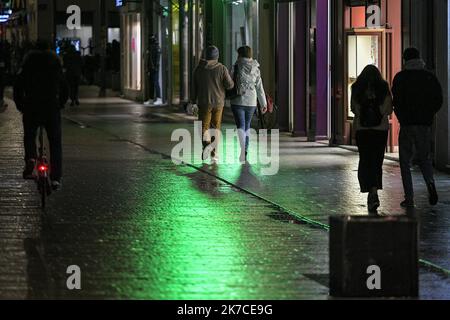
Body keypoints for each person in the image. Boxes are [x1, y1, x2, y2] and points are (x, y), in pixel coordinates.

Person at [14, 40, 69, 190]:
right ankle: (56, 177)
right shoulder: (55, 65)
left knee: (30, 135)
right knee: (55, 141)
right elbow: (65, 87)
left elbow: (17, 86)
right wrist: (61, 103)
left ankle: (31, 157)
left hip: (32, 106)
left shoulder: (27, 65)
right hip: (51, 107)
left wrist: (21, 105)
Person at [392, 48, 443, 208]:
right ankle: (430, 183)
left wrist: (402, 116)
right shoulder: (429, 77)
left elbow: (396, 101)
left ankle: (409, 197)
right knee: (425, 158)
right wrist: (428, 115)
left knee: (404, 162)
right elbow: (438, 99)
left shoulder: (400, 78)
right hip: (424, 125)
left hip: (407, 124)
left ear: (405, 60)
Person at [351, 65, 393, 213]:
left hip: (362, 130)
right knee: (377, 160)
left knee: (365, 159)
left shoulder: (357, 88)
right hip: (380, 130)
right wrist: (379, 112)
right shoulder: (383, 87)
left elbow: (353, 109)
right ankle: (374, 190)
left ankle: (369, 189)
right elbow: (388, 110)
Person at [191, 45, 234, 163]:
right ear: (217, 56)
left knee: (204, 127)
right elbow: (230, 85)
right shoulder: (222, 69)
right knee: (216, 128)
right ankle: (214, 154)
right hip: (219, 103)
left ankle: (206, 146)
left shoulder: (198, 69)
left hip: (204, 103)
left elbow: (194, 88)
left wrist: (192, 101)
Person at [230, 46, 268, 163]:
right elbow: (259, 87)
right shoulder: (256, 68)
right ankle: (245, 150)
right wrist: (263, 103)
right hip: (251, 102)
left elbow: (230, 83)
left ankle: (243, 149)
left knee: (241, 126)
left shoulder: (236, 66)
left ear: (240, 55)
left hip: (237, 101)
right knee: (247, 126)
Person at [144, 35, 162, 106]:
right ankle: (151, 99)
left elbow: (156, 58)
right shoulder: (153, 47)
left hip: (154, 68)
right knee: (152, 83)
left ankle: (158, 98)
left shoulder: (155, 48)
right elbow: (150, 59)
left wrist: (155, 67)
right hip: (152, 68)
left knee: (155, 83)